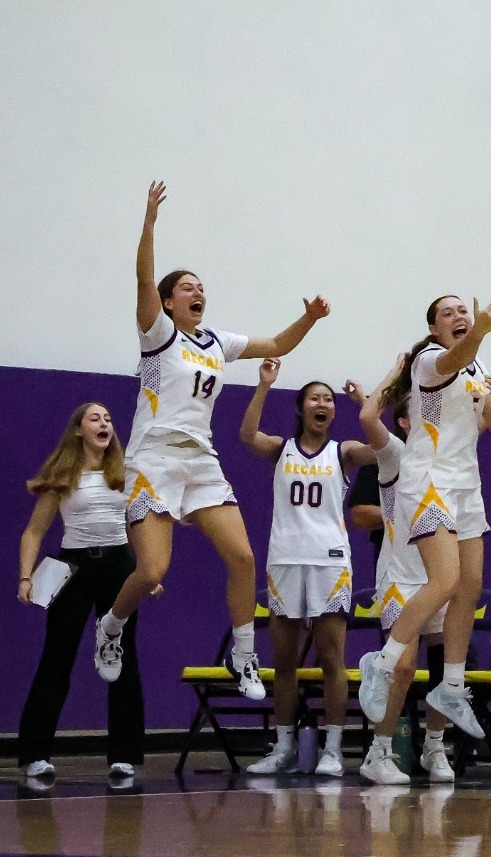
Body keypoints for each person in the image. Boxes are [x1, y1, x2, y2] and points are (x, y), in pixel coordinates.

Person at [94, 182, 332, 701]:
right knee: (153, 568)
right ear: (167, 301)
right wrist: (149, 223)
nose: (197, 293)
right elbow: (141, 277)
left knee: (244, 559)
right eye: (186, 287)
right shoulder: (158, 333)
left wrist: (309, 319)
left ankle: (242, 653)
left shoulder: (216, 341)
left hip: (201, 460)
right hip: (154, 458)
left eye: (201, 287)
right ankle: (111, 626)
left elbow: (277, 342)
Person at [357, 297, 491, 784]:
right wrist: (483, 327)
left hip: (466, 483)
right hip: (429, 481)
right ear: (432, 326)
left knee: (470, 585)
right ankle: (380, 665)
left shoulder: (477, 367)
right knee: (445, 580)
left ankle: (450, 687)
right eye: (447, 313)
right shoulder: (430, 360)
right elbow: (455, 355)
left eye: (460, 311)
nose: (457, 316)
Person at [238, 359, 378, 777]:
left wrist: (363, 402)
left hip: (329, 560)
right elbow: (247, 435)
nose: (324, 403)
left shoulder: (345, 452)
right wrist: (263, 386)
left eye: (329, 399)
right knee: (283, 660)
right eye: (316, 398)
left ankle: (333, 748)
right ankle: (282, 747)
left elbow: (386, 449)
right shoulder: (281, 448)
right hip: (284, 558)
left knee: (332, 657)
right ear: (302, 408)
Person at [356, 353, 479, 785]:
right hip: (401, 575)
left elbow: (483, 422)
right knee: (404, 667)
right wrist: (396, 371)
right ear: (406, 420)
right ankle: (379, 751)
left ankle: (434, 747)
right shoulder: (396, 455)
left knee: (447, 660)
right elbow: (369, 415)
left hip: (437, 575)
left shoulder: (452, 462)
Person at [16, 404, 143, 782]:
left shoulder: (126, 473)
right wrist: (26, 577)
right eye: (95, 419)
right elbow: (33, 532)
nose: (104, 423)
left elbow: (138, 526)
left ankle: (124, 757)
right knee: (57, 656)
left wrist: (147, 572)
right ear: (78, 430)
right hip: (74, 568)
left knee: (121, 657)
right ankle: (36, 754)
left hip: (119, 567)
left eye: (108, 419)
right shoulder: (63, 476)